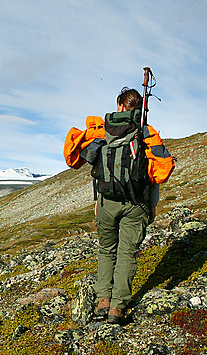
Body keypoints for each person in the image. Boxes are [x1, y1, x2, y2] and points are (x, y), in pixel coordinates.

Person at [64, 87, 174, 324]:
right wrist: (153, 205)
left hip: (106, 202)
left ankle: (103, 300)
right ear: (139, 108)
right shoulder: (146, 132)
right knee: (127, 253)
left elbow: (82, 161)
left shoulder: (101, 130)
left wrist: (98, 202)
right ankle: (118, 309)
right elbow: (156, 175)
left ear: (120, 106)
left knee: (106, 250)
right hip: (136, 203)